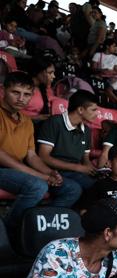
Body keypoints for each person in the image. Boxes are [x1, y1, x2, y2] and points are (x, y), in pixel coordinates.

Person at [0, 72, 81, 237]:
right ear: (3, 90)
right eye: (15, 92)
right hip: (2, 168)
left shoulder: (26, 121)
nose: (21, 98)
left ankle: (41, 224)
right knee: (37, 185)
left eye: (27, 94)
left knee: (71, 188)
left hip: (18, 170)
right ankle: (10, 229)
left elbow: (31, 156)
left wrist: (49, 172)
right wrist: (41, 176)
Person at [37, 90, 99, 190]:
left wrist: (92, 170)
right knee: (92, 188)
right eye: (93, 110)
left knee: (103, 184)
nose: (97, 114)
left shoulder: (86, 130)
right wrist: (78, 168)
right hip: (55, 171)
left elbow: (85, 158)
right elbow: (44, 156)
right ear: (80, 110)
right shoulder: (54, 122)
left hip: (76, 172)